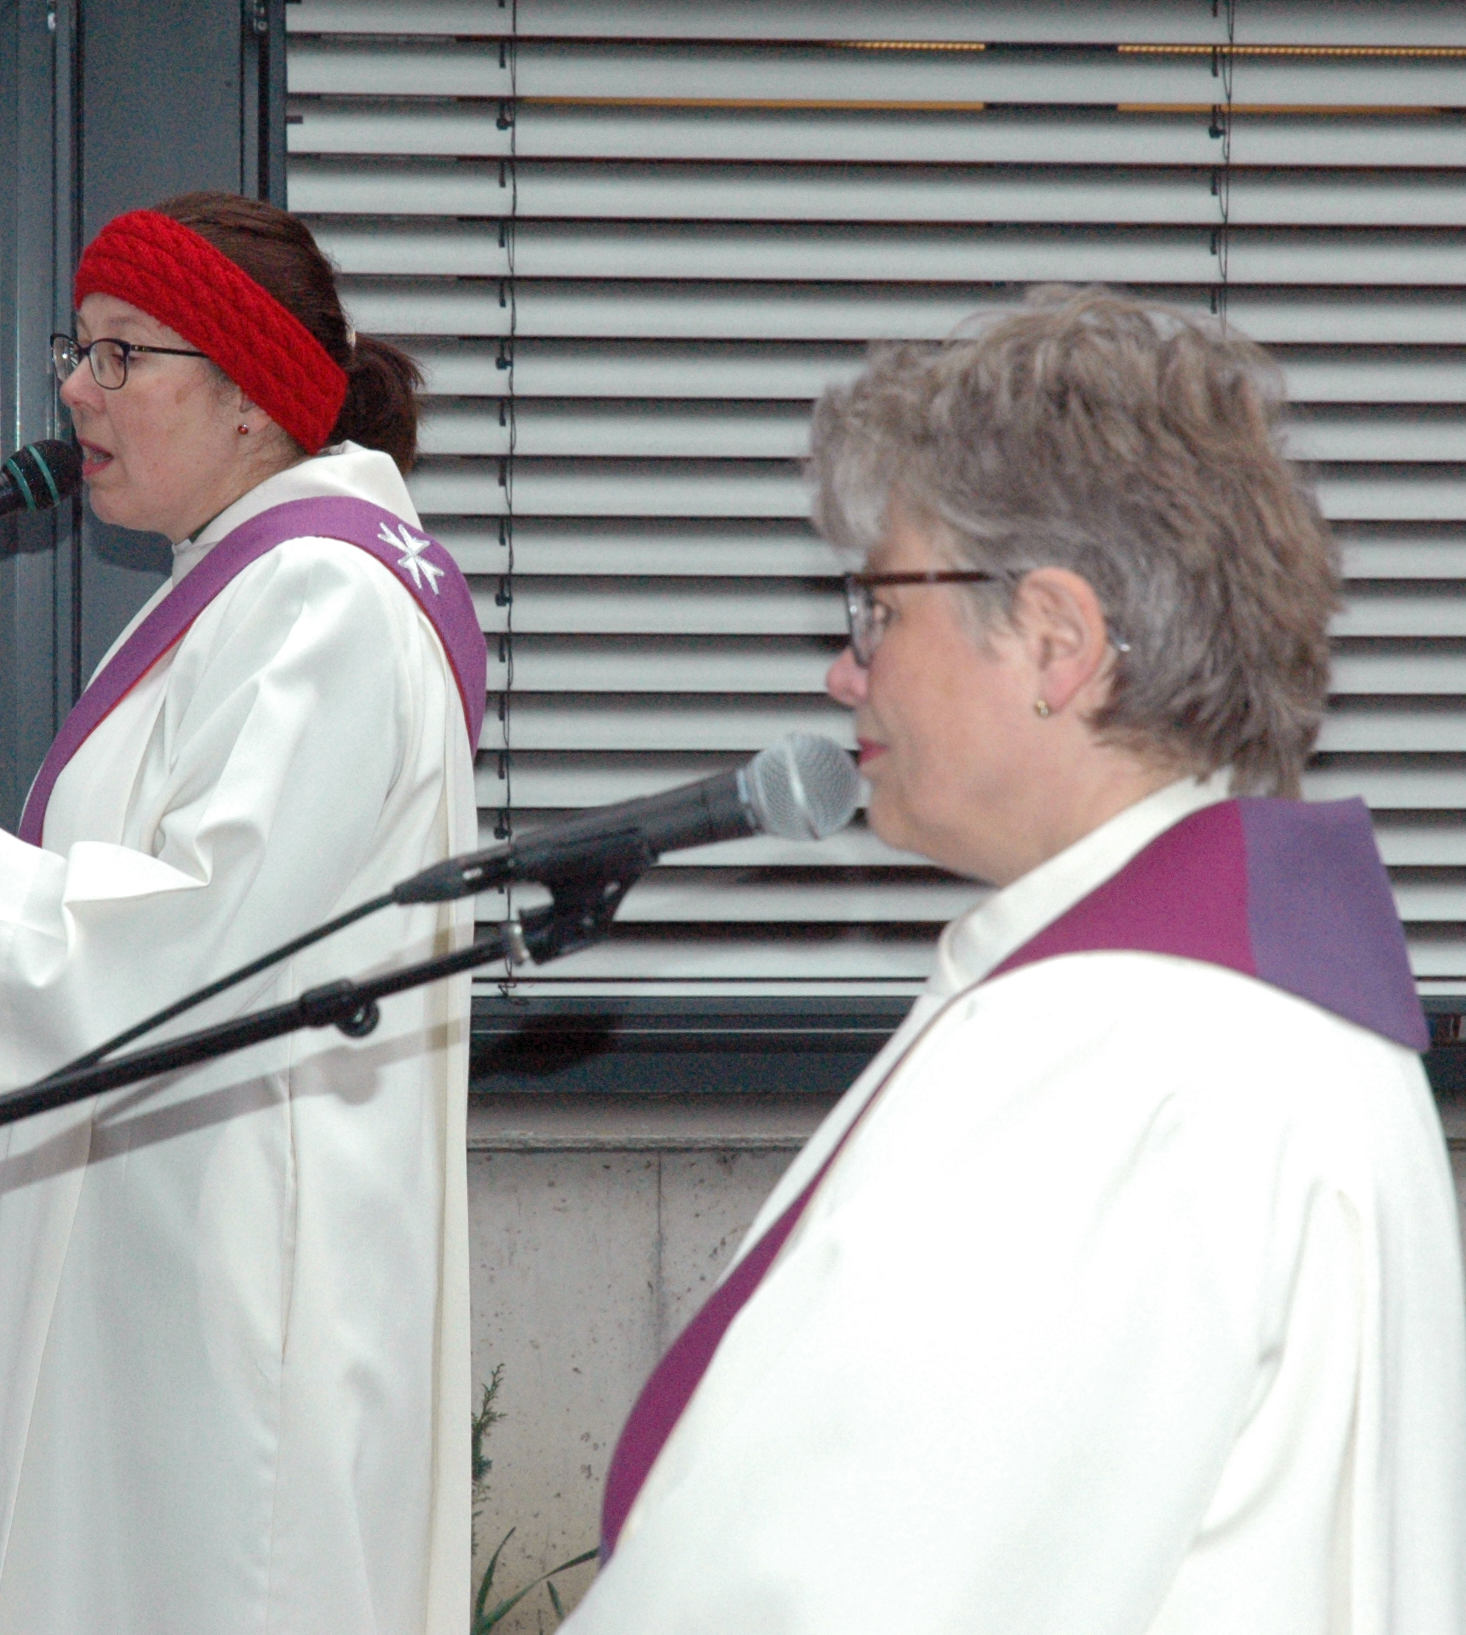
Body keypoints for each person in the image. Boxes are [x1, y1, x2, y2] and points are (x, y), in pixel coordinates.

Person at [566, 289, 1466, 1633]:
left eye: (876, 606)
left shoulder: (1107, 1058)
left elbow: (827, 1594)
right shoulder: (1265, 1008)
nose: (839, 671)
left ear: (1053, 640)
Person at [0, 193, 483, 1635]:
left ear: (252, 393)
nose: (75, 388)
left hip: (228, 1280)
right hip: (164, 1233)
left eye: (125, 355)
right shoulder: (251, 583)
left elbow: (207, 952)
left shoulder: (325, 602)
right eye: (81, 349)